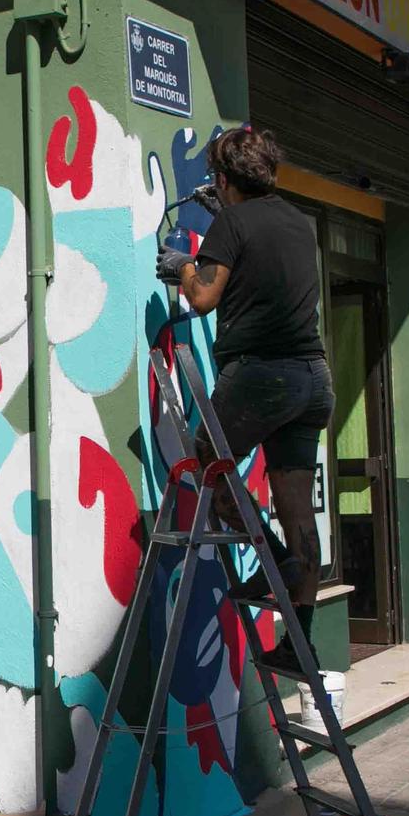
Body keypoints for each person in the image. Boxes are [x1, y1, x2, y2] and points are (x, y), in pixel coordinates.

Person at [160, 127, 333, 667]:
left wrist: (183, 266)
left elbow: (204, 296)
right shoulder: (298, 223)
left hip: (263, 376)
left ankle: (275, 559)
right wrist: (222, 223)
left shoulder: (233, 222)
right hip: (313, 380)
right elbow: (260, 255)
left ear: (223, 178)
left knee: (207, 459)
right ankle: (299, 644)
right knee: (298, 508)